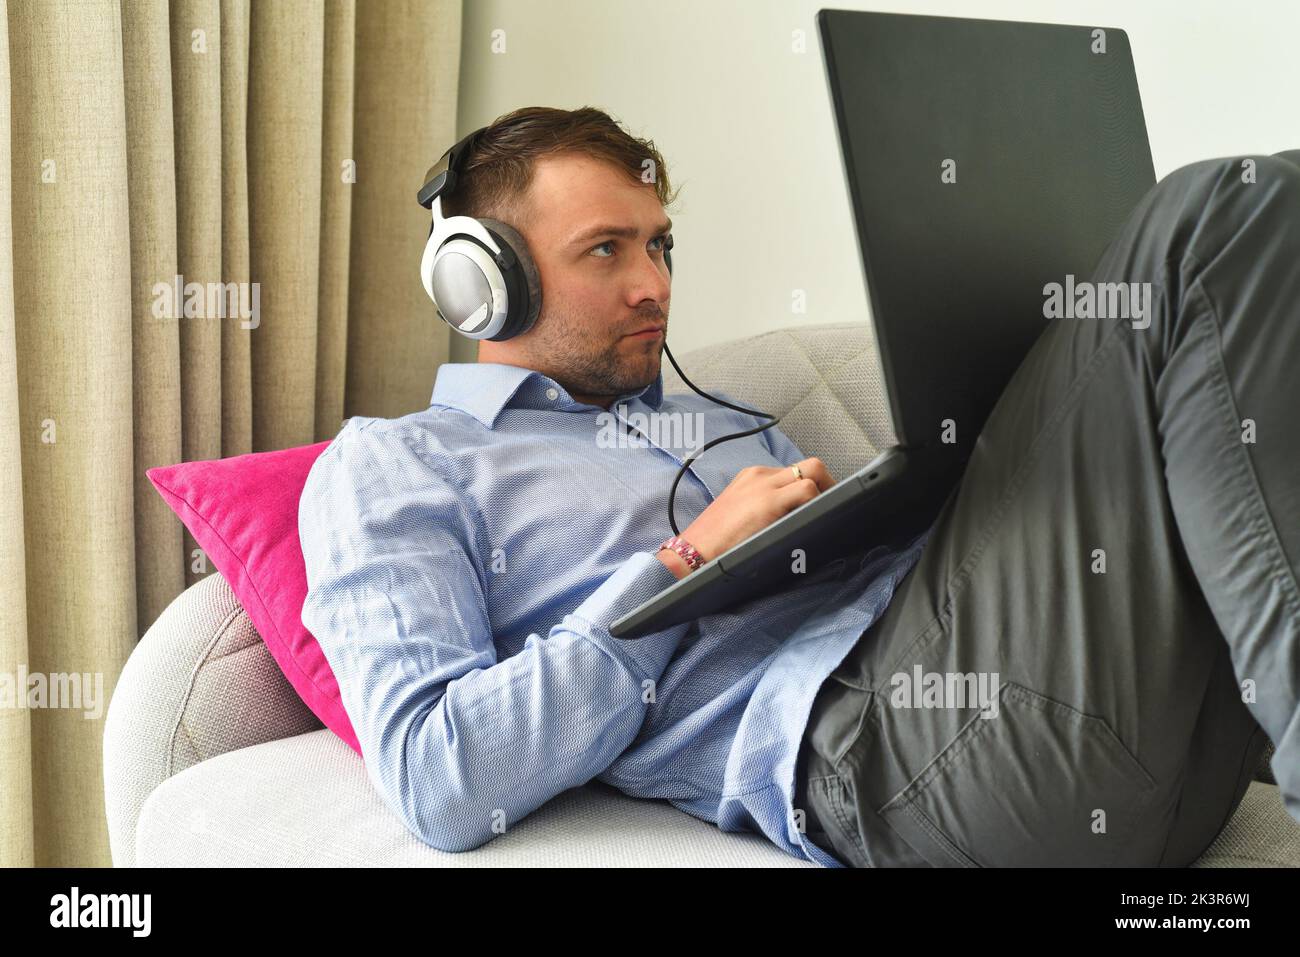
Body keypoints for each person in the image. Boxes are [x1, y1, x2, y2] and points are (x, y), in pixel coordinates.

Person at [298, 105, 1299, 866]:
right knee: (1211, 214)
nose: (653, 283)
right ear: (481, 281)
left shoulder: (724, 420)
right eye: (606, 249)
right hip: (895, 755)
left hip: (1142, 747)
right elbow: (440, 776)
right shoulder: (393, 465)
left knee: (1276, 202)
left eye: (659, 244)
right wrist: (689, 561)